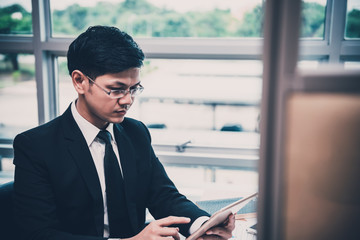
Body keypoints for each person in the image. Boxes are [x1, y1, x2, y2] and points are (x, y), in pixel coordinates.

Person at [12, 25, 235, 240]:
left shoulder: (135, 132)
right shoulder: (36, 147)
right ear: (79, 81)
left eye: (134, 89)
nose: (128, 100)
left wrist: (203, 225)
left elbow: (163, 195)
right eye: (116, 90)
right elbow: (39, 235)